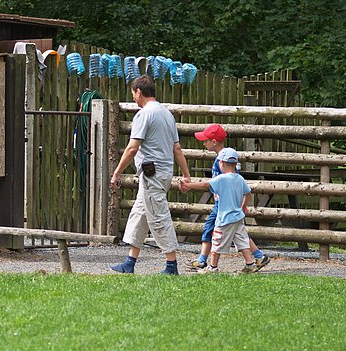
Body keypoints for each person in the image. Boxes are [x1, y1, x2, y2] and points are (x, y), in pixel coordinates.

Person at [110, 75, 192, 275]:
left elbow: (132, 148)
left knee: (159, 217)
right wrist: (186, 175)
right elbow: (177, 149)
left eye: (133, 95)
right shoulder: (167, 114)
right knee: (140, 214)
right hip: (161, 175)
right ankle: (129, 263)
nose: (133, 99)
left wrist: (116, 173)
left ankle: (171, 266)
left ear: (139, 92)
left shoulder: (144, 114)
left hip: (152, 175)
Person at [184, 124, 270, 271]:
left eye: (206, 140)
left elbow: (214, 184)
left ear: (214, 141)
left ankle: (206, 262)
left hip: (223, 205)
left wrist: (189, 185)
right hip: (227, 204)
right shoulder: (227, 157)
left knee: (212, 229)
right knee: (238, 232)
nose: (204, 143)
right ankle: (257, 256)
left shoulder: (222, 161)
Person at [180, 148, 258, 273]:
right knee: (242, 241)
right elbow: (248, 193)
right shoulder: (239, 178)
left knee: (216, 241)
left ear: (221, 162)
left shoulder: (221, 179)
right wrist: (243, 206)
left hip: (225, 219)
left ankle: (212, 267)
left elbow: (206, 185)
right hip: (238, 217)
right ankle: (250, 264)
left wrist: (188, 185)